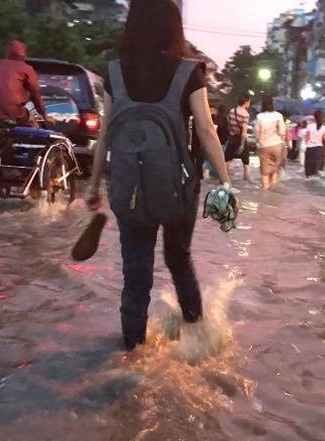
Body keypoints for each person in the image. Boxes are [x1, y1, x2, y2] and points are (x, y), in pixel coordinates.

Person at [83, 0, 233, 351]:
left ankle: (131, 353)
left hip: (129, 186)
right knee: (178, 259)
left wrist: (93, 186)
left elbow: (105, 135)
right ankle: (198, 340)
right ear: (172, 25)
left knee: (136, 274)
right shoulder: (189, 71)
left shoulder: (114, 71)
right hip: (178, 188)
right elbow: (207, 131)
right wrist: (227, 183)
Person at [0, 40, 47, 127]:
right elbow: (36, 95)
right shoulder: (27, 69)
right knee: (33, 122)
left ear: (8, 52)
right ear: (24, 54)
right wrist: (44, 116)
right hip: (15, 112)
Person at [254, 95, 286, 190]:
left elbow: (257, 133)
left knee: (265, 174)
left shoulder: (259, 116)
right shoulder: (278, 115)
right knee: (274, 171)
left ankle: (265, 194)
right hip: (277, 145)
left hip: (264, 146)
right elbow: (282, 132)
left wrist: (259, 142)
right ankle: (273, 195)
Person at [225, 93, 251, 181]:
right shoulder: (245, 114)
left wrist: (232, 133)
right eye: (249, 102)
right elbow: (244, 131)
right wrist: (242, 145)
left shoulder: (231, 111)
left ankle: (225, 180)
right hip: (240, 139)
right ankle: (246, 180)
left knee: (226, 160)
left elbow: (228, 125)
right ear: (246, 102)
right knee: (246, 163)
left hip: (232, 138)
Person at [304, 111, 325, 177]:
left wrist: (309, 143)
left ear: (314, 117)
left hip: (309, 148)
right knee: (315, 166)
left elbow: (306, 139)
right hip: (319, 149)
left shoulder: (309, 126)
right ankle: (314, 179)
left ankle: (308, 178)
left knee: (308, 165)